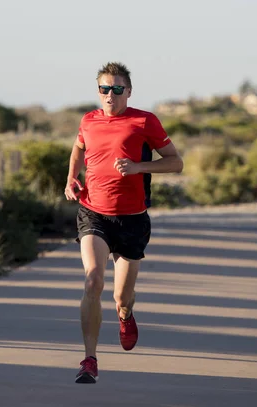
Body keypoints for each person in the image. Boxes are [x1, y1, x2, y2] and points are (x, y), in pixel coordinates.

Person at [64, 62, 183, 384]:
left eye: (118, 89)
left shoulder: (145, 121)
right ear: (98, 91)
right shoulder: (88, 120)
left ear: (128, 92)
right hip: (93, 213)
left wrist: (138, 167)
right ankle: (89, 359)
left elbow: (175, 162)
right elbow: (78, 147)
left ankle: (125, 314)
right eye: (105, 88)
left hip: (132, 219)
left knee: (121, 297)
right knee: (93, 281)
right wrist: (71, 178)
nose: (110, 95)